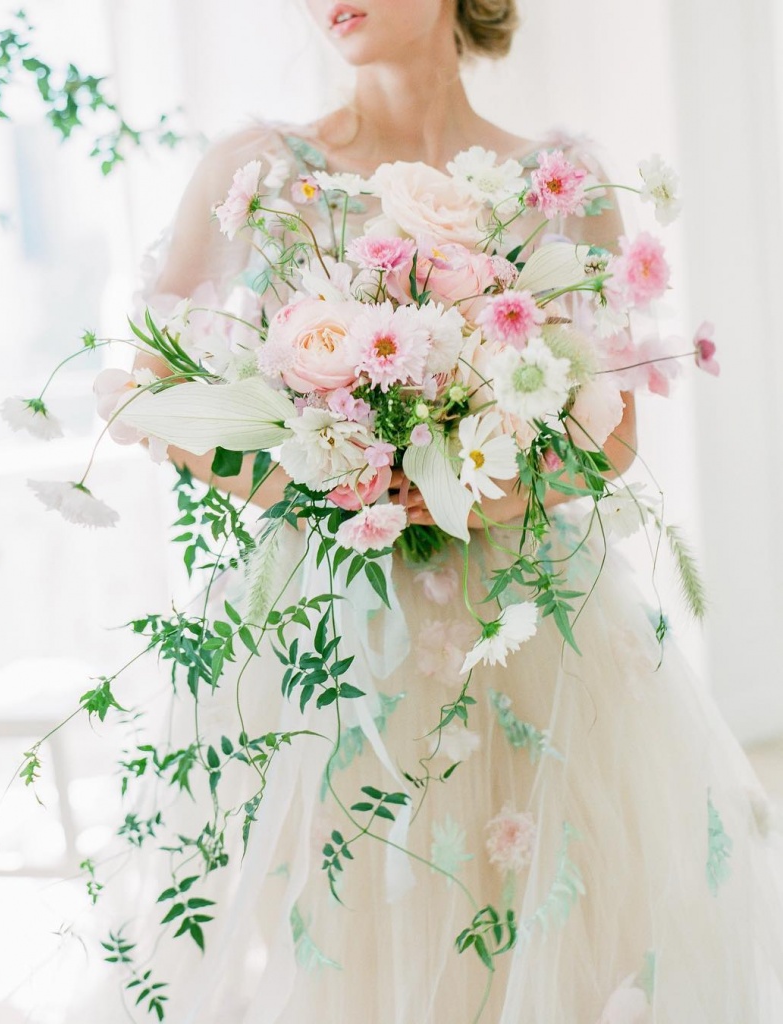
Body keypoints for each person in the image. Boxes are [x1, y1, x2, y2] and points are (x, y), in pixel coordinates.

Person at [131, 2, 783, 1021]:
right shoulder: (257, 173)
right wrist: (321, 482)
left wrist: (475, 491)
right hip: (326, 627)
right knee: (344, 931)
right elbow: (153, 386)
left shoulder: (557, 184)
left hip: (525, 623)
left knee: (542, 926)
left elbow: (610, 435)